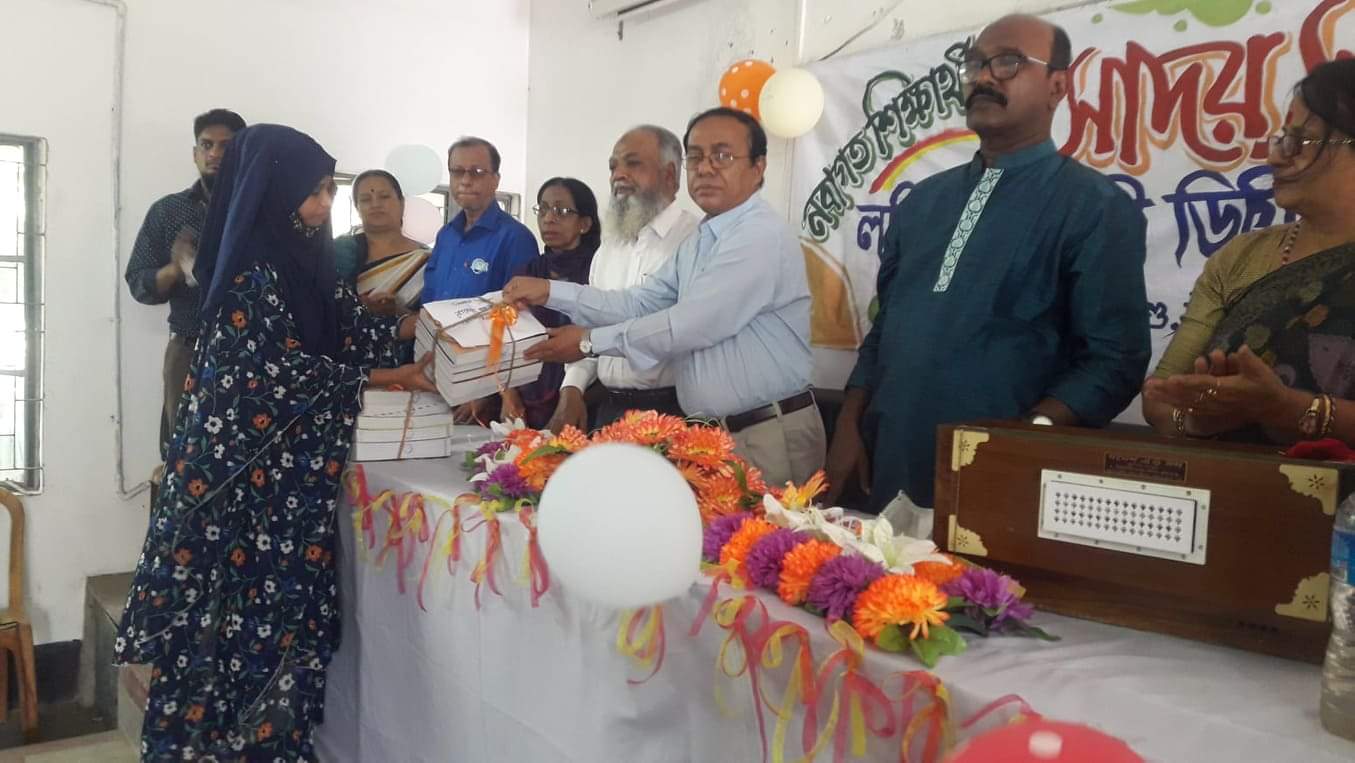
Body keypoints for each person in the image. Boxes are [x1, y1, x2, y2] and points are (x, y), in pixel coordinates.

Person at [113, 124, 432, 762]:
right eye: (313, 191)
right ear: (271, 191)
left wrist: (413, 327)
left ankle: (272, 748)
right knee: (221, 634)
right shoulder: (244, 269)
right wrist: (380, 376)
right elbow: (268, 374)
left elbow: (340, 330)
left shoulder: (308, 259)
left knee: (279, 626)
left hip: (284, 494)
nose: (324, 204)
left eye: (329, 190)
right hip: (235, 492)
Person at [824, 14, 1151, 511]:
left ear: (1057, 86)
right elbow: (886, 326)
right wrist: (849, 422)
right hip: (888, 463)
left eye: (1008, 63)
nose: (983, 77)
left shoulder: (1095, 206)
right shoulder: (922, 202)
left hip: (1004, 484)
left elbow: (1115, 361)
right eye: (974, 64)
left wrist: (1026, 437)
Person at [504, 108, 825, 488]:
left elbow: (691, 326)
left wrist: (589, 342)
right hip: (716, 435)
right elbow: (640, 303)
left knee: (759, 530)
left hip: (765, 433)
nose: (705, 168)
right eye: (696, 156)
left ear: (758, 167)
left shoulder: (758, 235)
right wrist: (550, 291)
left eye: (722, 156)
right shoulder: (704, 237)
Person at [1142, 60, 1355, 443]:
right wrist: (1195, 423)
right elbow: (1160, 396)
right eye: (1282, 140)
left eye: (1300, 142)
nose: (1275, 157)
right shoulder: (1241, 257)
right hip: (1229, 478)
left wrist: (1293, 410)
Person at [547, 125, 699, 432]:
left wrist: (547, 292)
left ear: (670, 175)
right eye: (613, 167)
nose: (618, 175)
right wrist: (572, 388)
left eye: (633, 163)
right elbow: (589, 330)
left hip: (673, 412)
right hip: (610, 408)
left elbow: (680, 331)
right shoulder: (608, 249)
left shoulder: (695, 240)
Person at [125, 108, 246, 460]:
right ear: (195, 154)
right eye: (206, 145)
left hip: (251, 350)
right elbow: (138, 281)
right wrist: (175, 269)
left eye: (226, 146)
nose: (215, 153)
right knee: (184, 453)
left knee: (246, 452)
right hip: (188, 348)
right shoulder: (168, 211)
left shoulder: (261, 211)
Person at [423, 136, 538, 423]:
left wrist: (488, 390)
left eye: (476, 172)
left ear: (495, 180)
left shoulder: (516, 238)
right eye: (457, 172)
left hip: (483, 389)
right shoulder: (446, 235)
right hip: (436, 374)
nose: (465, 180)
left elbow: (518, 321)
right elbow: (431, 306)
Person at [501, 177, 601, 429]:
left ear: (584, 224)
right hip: (525, 398)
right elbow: (504, 335)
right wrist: (507, 393)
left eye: (561, 211)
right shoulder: (528, 272)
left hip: (584, 397)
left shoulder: (598, 271)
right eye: (543, 209)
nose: (548, 218)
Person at [333, 169, 430, 317]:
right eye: (365, 199)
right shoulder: (341, 252)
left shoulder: (427, 260)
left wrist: (400, 312)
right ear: (357, 208)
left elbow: (438, 318)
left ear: (402, 203)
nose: (375, 204)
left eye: (384, 197)